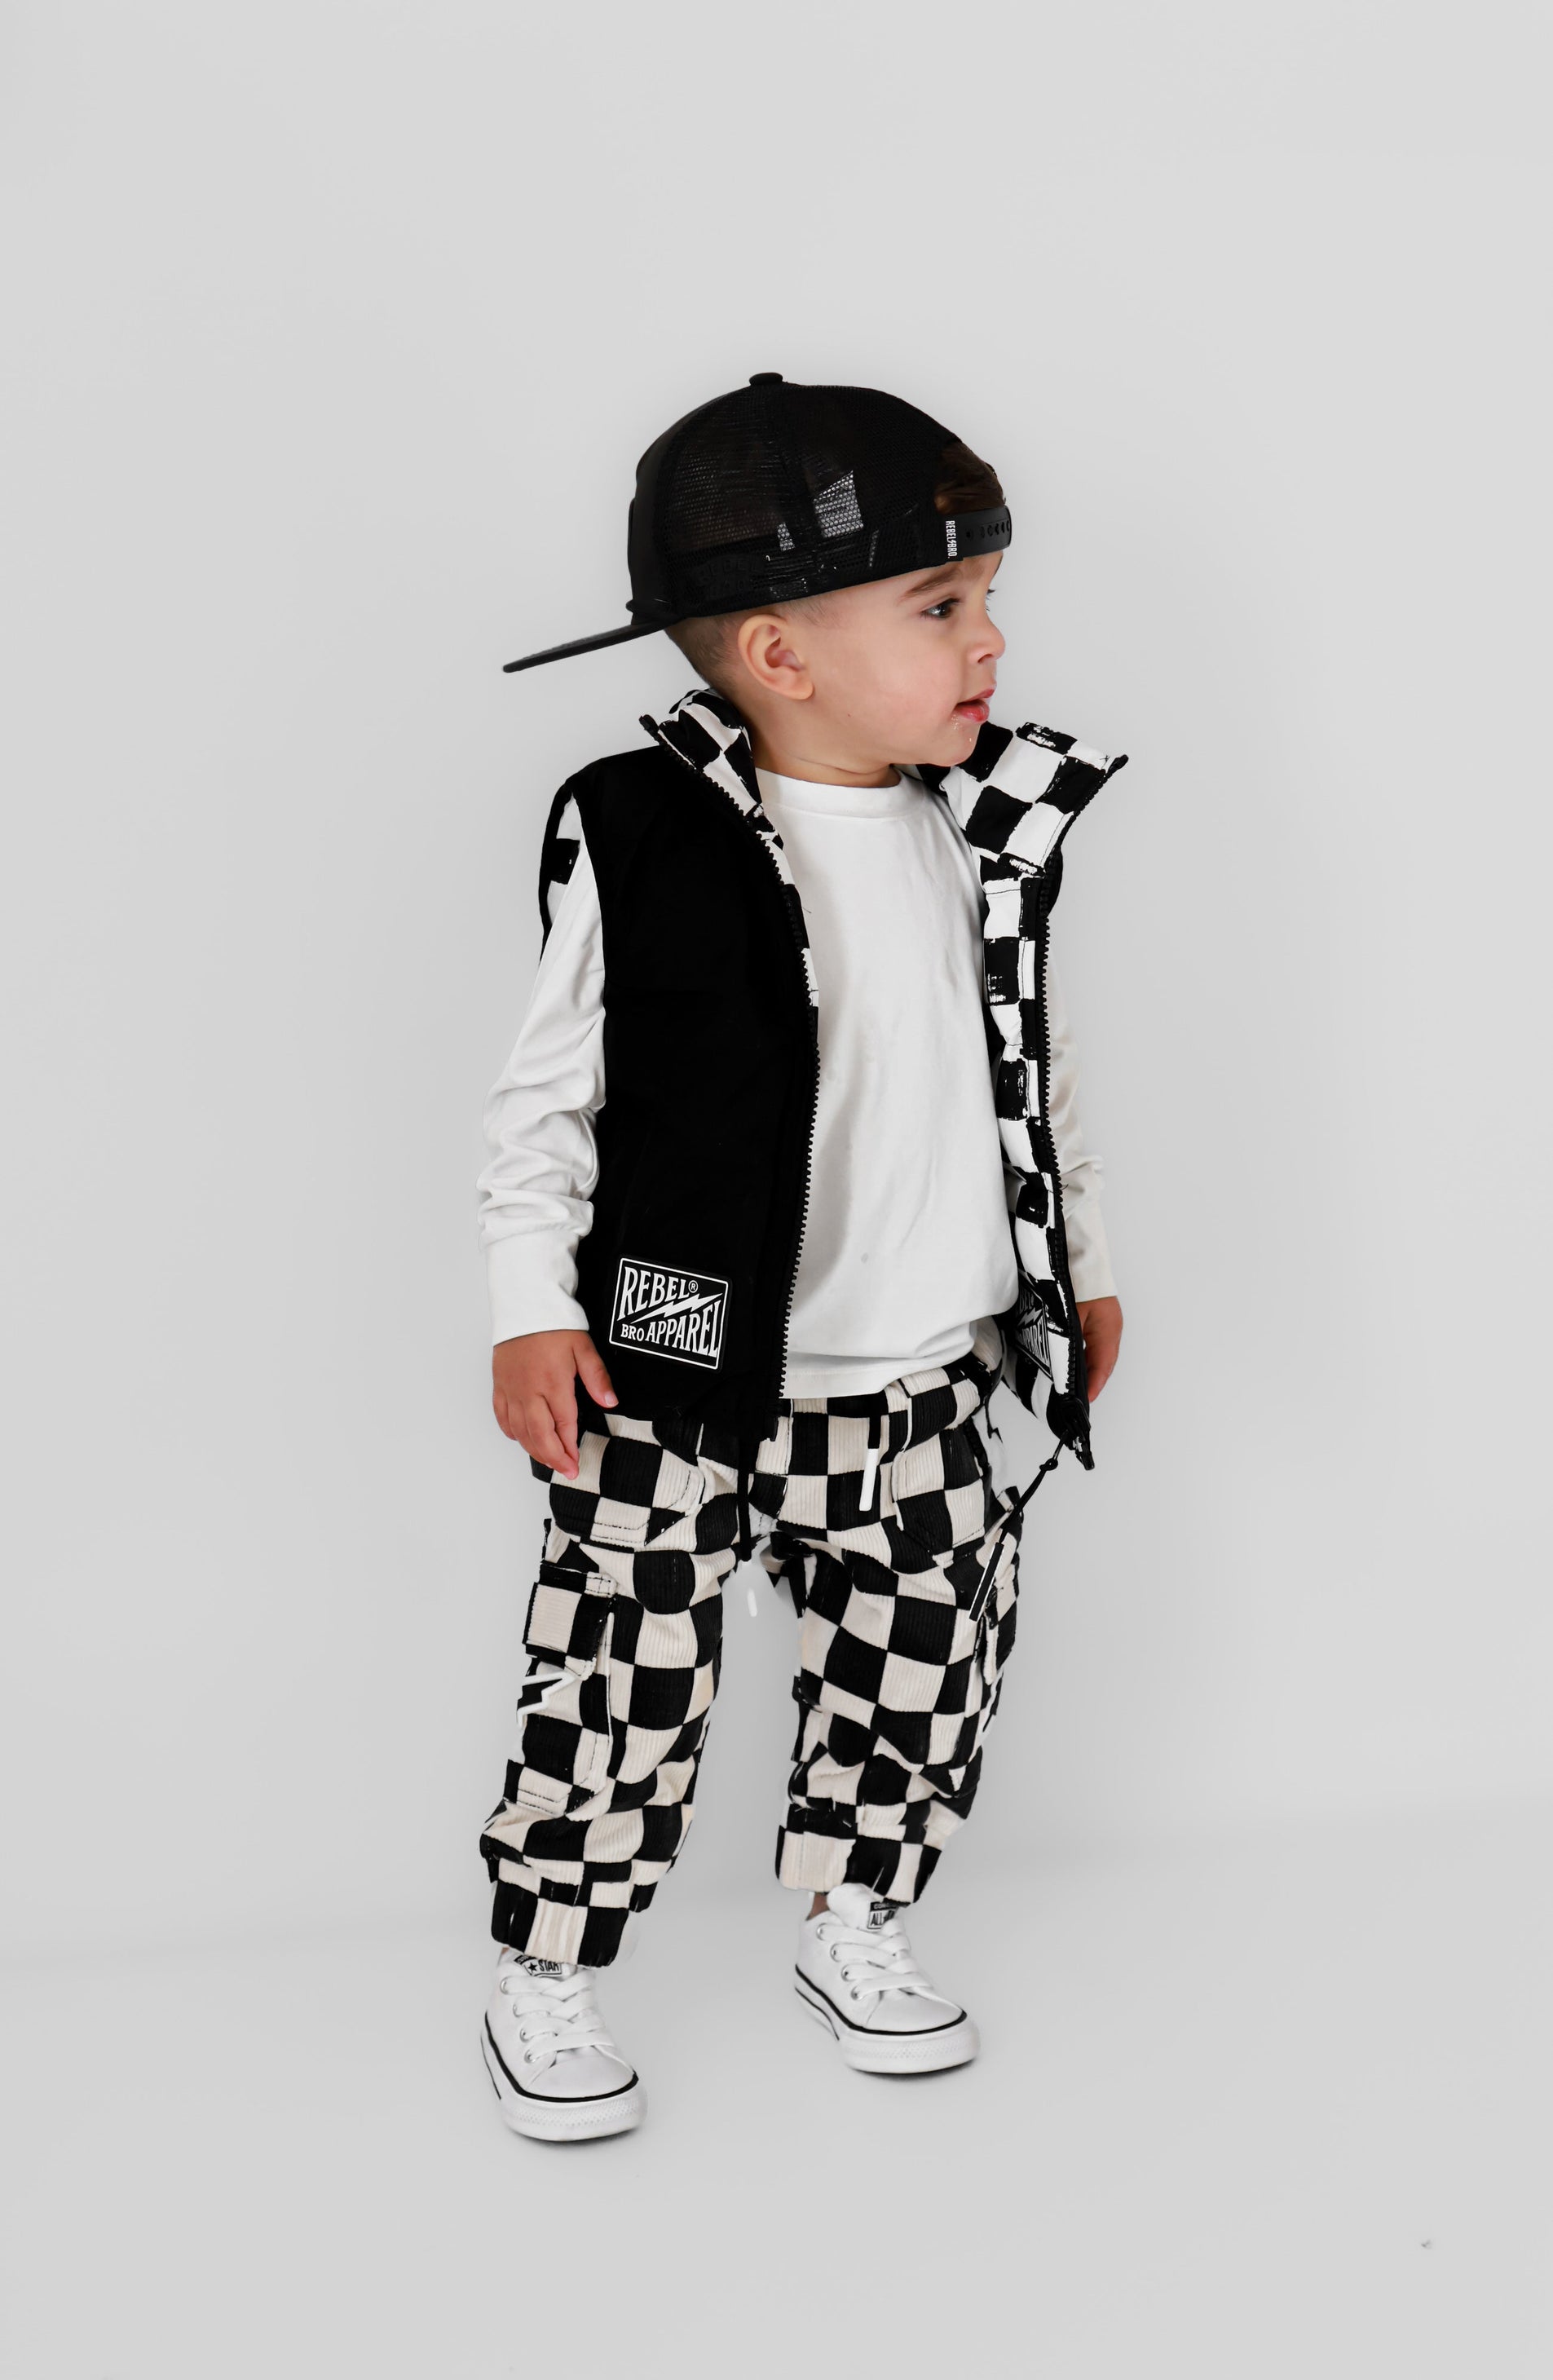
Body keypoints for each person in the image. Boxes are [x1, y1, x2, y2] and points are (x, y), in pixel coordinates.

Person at [474, 373, 1126, 2142]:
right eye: (940, 605)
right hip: (672, 1366)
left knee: (922, 1660)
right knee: (617, 1682)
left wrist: (1075, 1263)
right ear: (778, 653)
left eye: (985, 597)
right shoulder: (636, 828)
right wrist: (529, 1306)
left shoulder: (984, 830)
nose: (990, 641)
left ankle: (855, 1916)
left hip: (922, 1376)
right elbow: (547, 1096)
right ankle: (547, 1963)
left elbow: (1033, 1069)